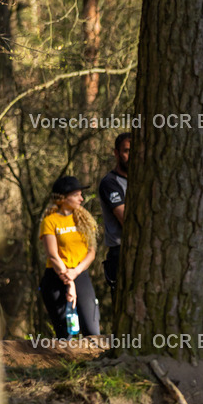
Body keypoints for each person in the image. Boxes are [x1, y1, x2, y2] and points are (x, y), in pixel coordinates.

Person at [39, 175, 99, 338]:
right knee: (65, 334)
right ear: (64, 198)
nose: (81, 198)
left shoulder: (84, 220)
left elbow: (91, 252)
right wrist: (69, 281)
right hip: (56, 277)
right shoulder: (50, 221)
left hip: (80, 275)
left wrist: (76, 272)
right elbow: (52, 255)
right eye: (76, 195)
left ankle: (93, 363)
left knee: (92, 330)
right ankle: (65, 363)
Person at [98, 132, 130, 297]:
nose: (130, 156)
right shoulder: (110, 183)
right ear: (116, 153)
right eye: (126, 151)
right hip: (120, 253)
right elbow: (126, 219)